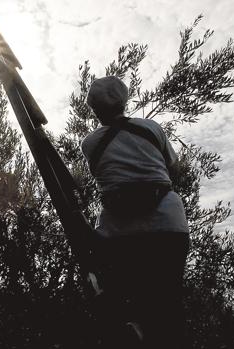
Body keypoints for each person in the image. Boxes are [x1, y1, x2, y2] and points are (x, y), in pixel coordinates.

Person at [80, 76, 190, 348]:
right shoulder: (152, 129)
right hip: (169, 227)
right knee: (168, 309)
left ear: (94, 109)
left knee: (126, 311)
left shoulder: (90, 143)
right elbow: (173, 170)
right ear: (125, 100)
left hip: (120, 235)